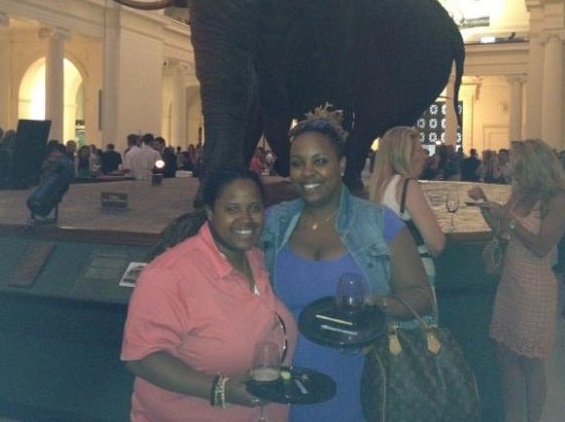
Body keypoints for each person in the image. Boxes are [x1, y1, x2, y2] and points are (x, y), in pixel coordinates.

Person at [262, 105, 432, 422]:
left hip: (360, 380)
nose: (307, 172)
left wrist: (377, 304)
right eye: (297, 163)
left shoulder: (379, 223)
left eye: (320, 161)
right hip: (285, 388)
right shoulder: (273, 223)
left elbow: (421, 296)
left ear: (341, 165)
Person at [122, 166, 297, 422]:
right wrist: (220, 389)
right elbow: (142, 358)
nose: (246, 218)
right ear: (210, 213)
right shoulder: (169, 274)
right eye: (232, 209)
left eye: (254, 207)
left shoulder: (256, 259)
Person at [468, 139, 565, 422]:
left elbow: (541, 246)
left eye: (516, 164)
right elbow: (503, 229)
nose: (511, 169)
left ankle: (533, 419)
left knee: (531, 361)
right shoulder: (520, 192)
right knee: (505, 355)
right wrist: (485, 206)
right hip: (511, 281)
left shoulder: (558, 199)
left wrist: (509, 219)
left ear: (533, 165)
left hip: (535, 285)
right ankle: (513, 415)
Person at [369, 126, 446, 292]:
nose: (424, 156)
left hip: (390, 274)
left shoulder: (380, 188)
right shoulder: (407, 187)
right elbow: (436, 243)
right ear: (404, 155)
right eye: (419, 150)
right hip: (416, 272)